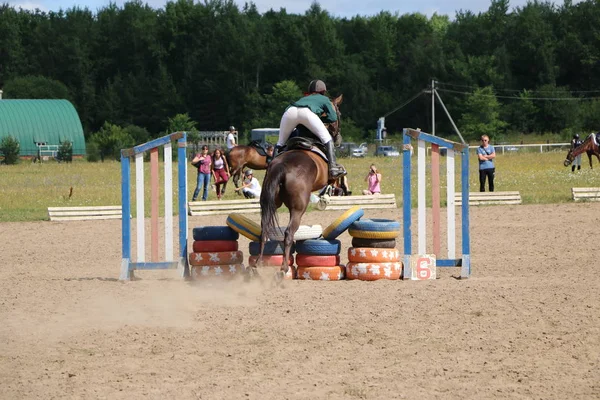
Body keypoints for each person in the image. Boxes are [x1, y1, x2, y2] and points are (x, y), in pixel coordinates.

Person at [274, 79, 345, 179]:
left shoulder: (304, 98)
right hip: (307, 113)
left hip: (289, 112)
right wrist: (321, 119)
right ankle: (333, 168)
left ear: (310, 91)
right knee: (327, 139)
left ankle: (271, 168)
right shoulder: (324, 99)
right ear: (323, 91)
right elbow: (333, 118)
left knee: (280, 143)